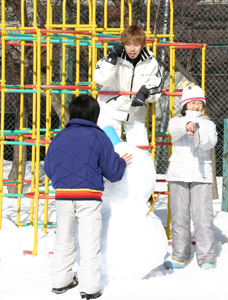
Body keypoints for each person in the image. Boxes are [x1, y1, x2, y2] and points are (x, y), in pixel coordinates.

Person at [44, 95, 132, 299]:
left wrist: (63, 182)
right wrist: (120, 161)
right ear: (95, 115)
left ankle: (60, 280)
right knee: (89, 240)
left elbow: (48, 167)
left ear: (72, 112)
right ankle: (90, 287)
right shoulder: (99, 137)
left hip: (63, 195)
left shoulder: (59, 137)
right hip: (89, 196)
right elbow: (113, 173)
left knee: (64, 238)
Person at [163, 82, 217, 270]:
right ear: (184, 104)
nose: (195, 106)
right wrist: (187, 126)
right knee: (180, 217)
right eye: (192, 103)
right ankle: (179, 255)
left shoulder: (208, 123)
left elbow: (210, 143)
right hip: (178, 174)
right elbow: (173, 132)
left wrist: (199, 134)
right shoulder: (175, 120)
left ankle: (206, 257)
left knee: (203, 217)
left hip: (201, 176)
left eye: (199, 103)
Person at [94, 24, 163, 147]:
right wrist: (112, 58)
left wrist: (145, 92)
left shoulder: (151, 61)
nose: (132, 49)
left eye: (136, 45)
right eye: (128, 44)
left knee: (141, 150)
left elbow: (157, 84)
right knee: (107, 147)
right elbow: (101, 80)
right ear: (123, 44)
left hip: (135, 112)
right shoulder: (114, 57)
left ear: (142, 45)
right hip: (110, 109)